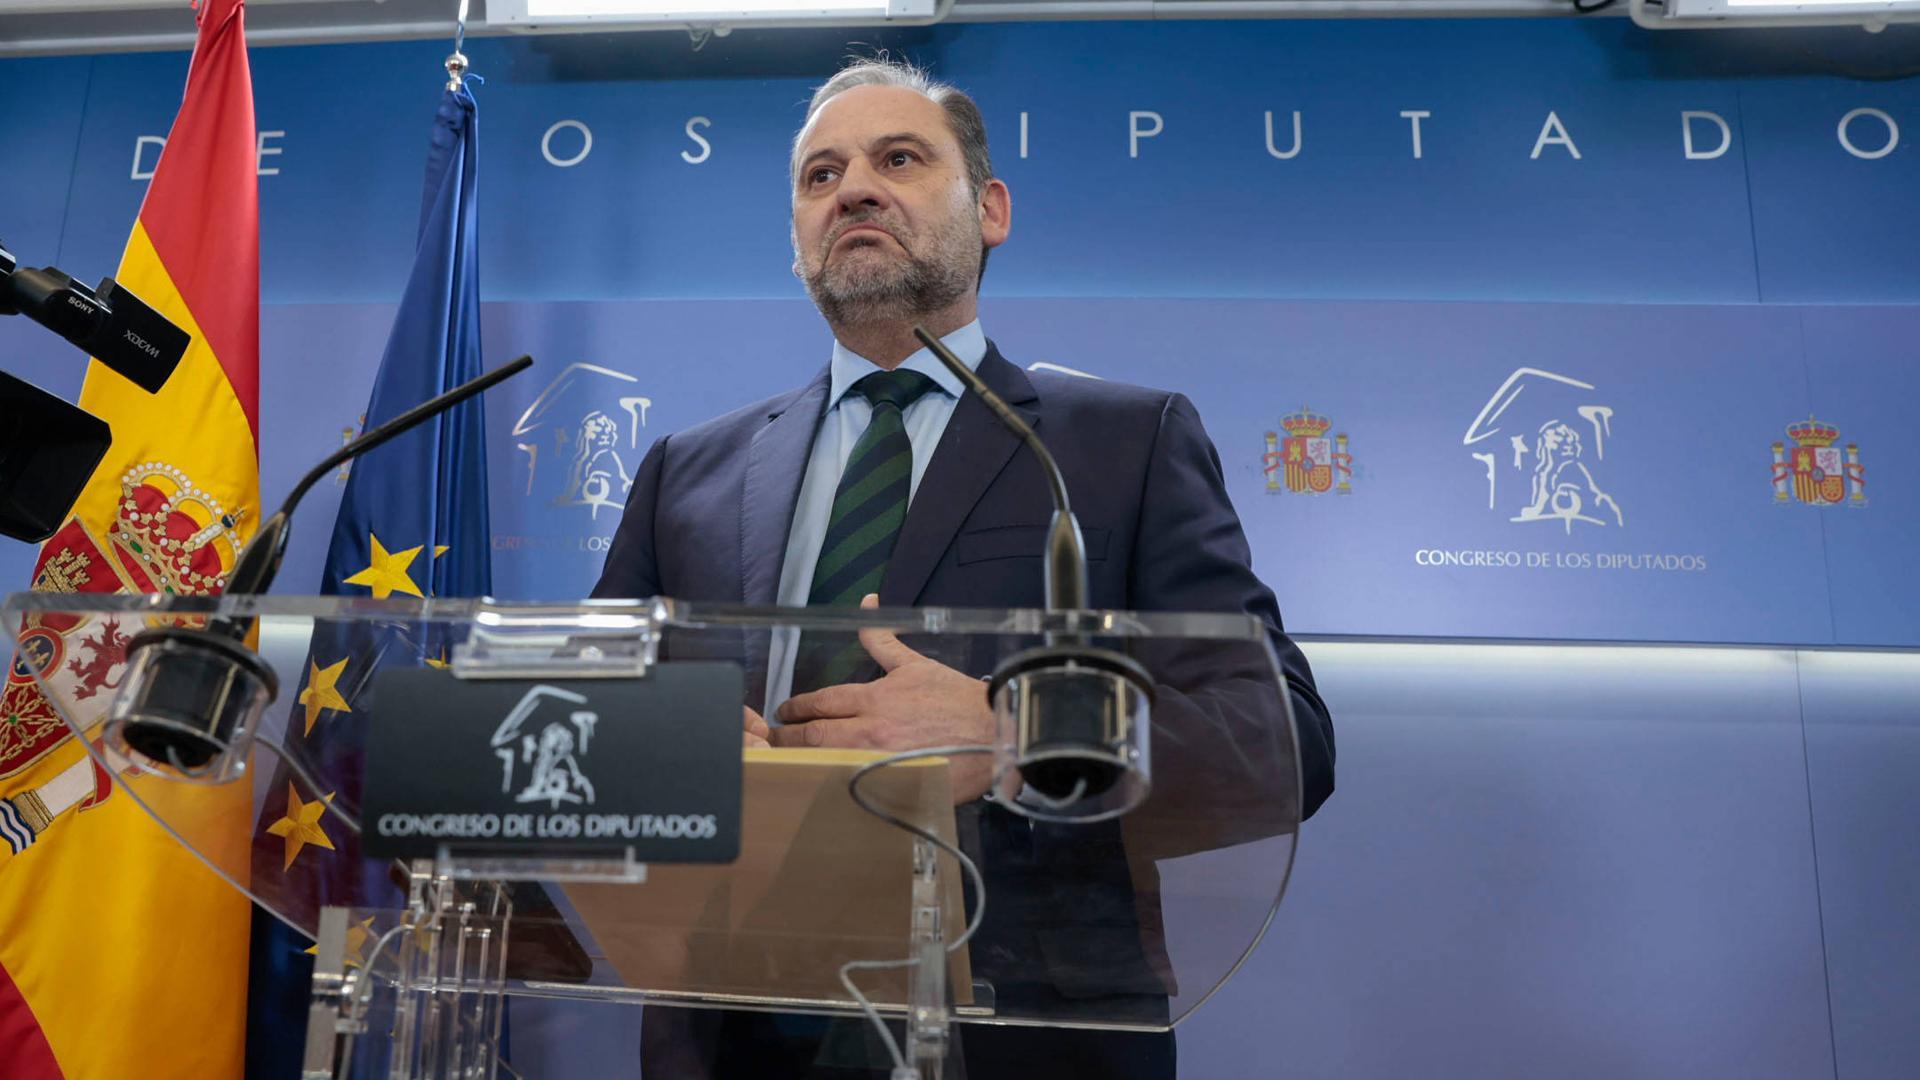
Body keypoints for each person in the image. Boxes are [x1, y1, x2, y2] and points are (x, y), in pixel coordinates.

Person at [593, 56, 1335, 1080]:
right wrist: (668, 747)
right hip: (735, 1024)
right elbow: (588, 712)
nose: (853, 189)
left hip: (1019, 1027)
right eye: (820, 175)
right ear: (798, 239)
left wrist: (1017, 737)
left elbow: (1283, 736)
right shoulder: (689, 469)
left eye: (898, 159)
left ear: (990, 210)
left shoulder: (1122, 444)